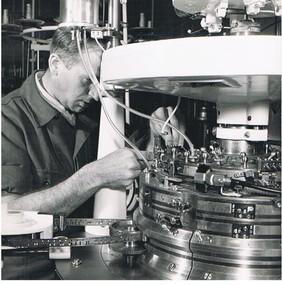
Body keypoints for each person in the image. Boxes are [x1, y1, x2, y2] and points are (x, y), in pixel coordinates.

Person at [1, 28, 184, 279]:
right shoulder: (8, 119)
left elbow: (139, 163)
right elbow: (9, 213)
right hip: (32, 272)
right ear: (55, 64)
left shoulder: (94, 111)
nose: (97, 93)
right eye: (88, 80)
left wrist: (157, 135)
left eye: (101, 82)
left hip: (88, 262)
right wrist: (95, 175)